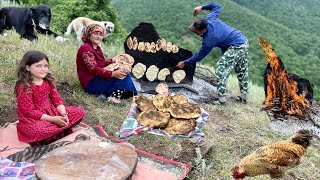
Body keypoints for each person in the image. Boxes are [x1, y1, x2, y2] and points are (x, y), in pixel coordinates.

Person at [176, 2, 249, 105]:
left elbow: (199, 56)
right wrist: (201, 7)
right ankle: (244, 97)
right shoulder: (211, 18)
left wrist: (185, 62)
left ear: (204, 30)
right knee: (241, 70)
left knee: (221, 67)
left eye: (196, 31)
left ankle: (221, 99)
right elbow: (217, 6)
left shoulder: (209, 40)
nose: (194, 32)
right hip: (243, 40)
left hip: (237, 46)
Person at [15, 50, 85, 146]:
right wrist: (53, 119)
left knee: (79, 112)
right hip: (33, 119)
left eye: (46, 66)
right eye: (38, 66)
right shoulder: (24, 86)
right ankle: (55, 132)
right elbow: (28, 111)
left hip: (51, 112)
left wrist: (63, 114)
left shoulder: (49, 81)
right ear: (28, 67)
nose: (43, 69)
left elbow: (56, 99)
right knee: (39, 130)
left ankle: (54, 132)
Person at [76, 24, 137, 103]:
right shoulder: (86, 49)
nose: (98, 36)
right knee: (122, 76)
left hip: (96, 77)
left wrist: (112, 60)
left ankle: (110, 93)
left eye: (100, 34)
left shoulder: (96, 48)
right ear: (89, 35)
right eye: (95, 33)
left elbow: (101, 64)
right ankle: (112, 95)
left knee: (124, 72)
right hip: (90, 82)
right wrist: (113, 74)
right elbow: (93, 69)